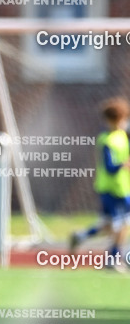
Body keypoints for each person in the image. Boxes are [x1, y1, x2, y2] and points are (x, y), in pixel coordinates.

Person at [69, 96, 130, 269]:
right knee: (122, 224)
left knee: (109, 223)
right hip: (111, 189)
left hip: (124, 187)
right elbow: (110, 167)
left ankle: (81, 236)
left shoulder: (123, 136)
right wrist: (123, 164)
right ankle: (113, 259)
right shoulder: (106, 140)